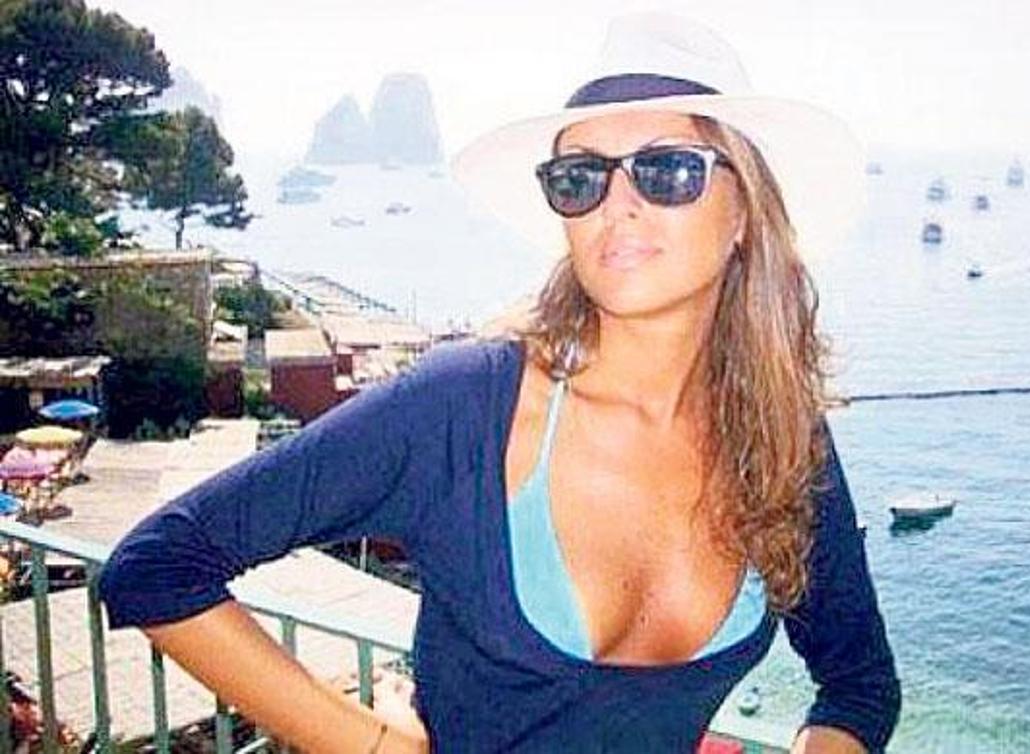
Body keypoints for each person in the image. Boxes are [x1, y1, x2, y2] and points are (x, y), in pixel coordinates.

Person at [99, 12, 900, 754]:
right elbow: (157, 567)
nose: (617, 204)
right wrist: (373, 746)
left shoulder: (779, 440)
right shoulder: (465, 407)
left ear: (745, 213)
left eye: (666, 169)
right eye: (581, 177)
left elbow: (859, 685)